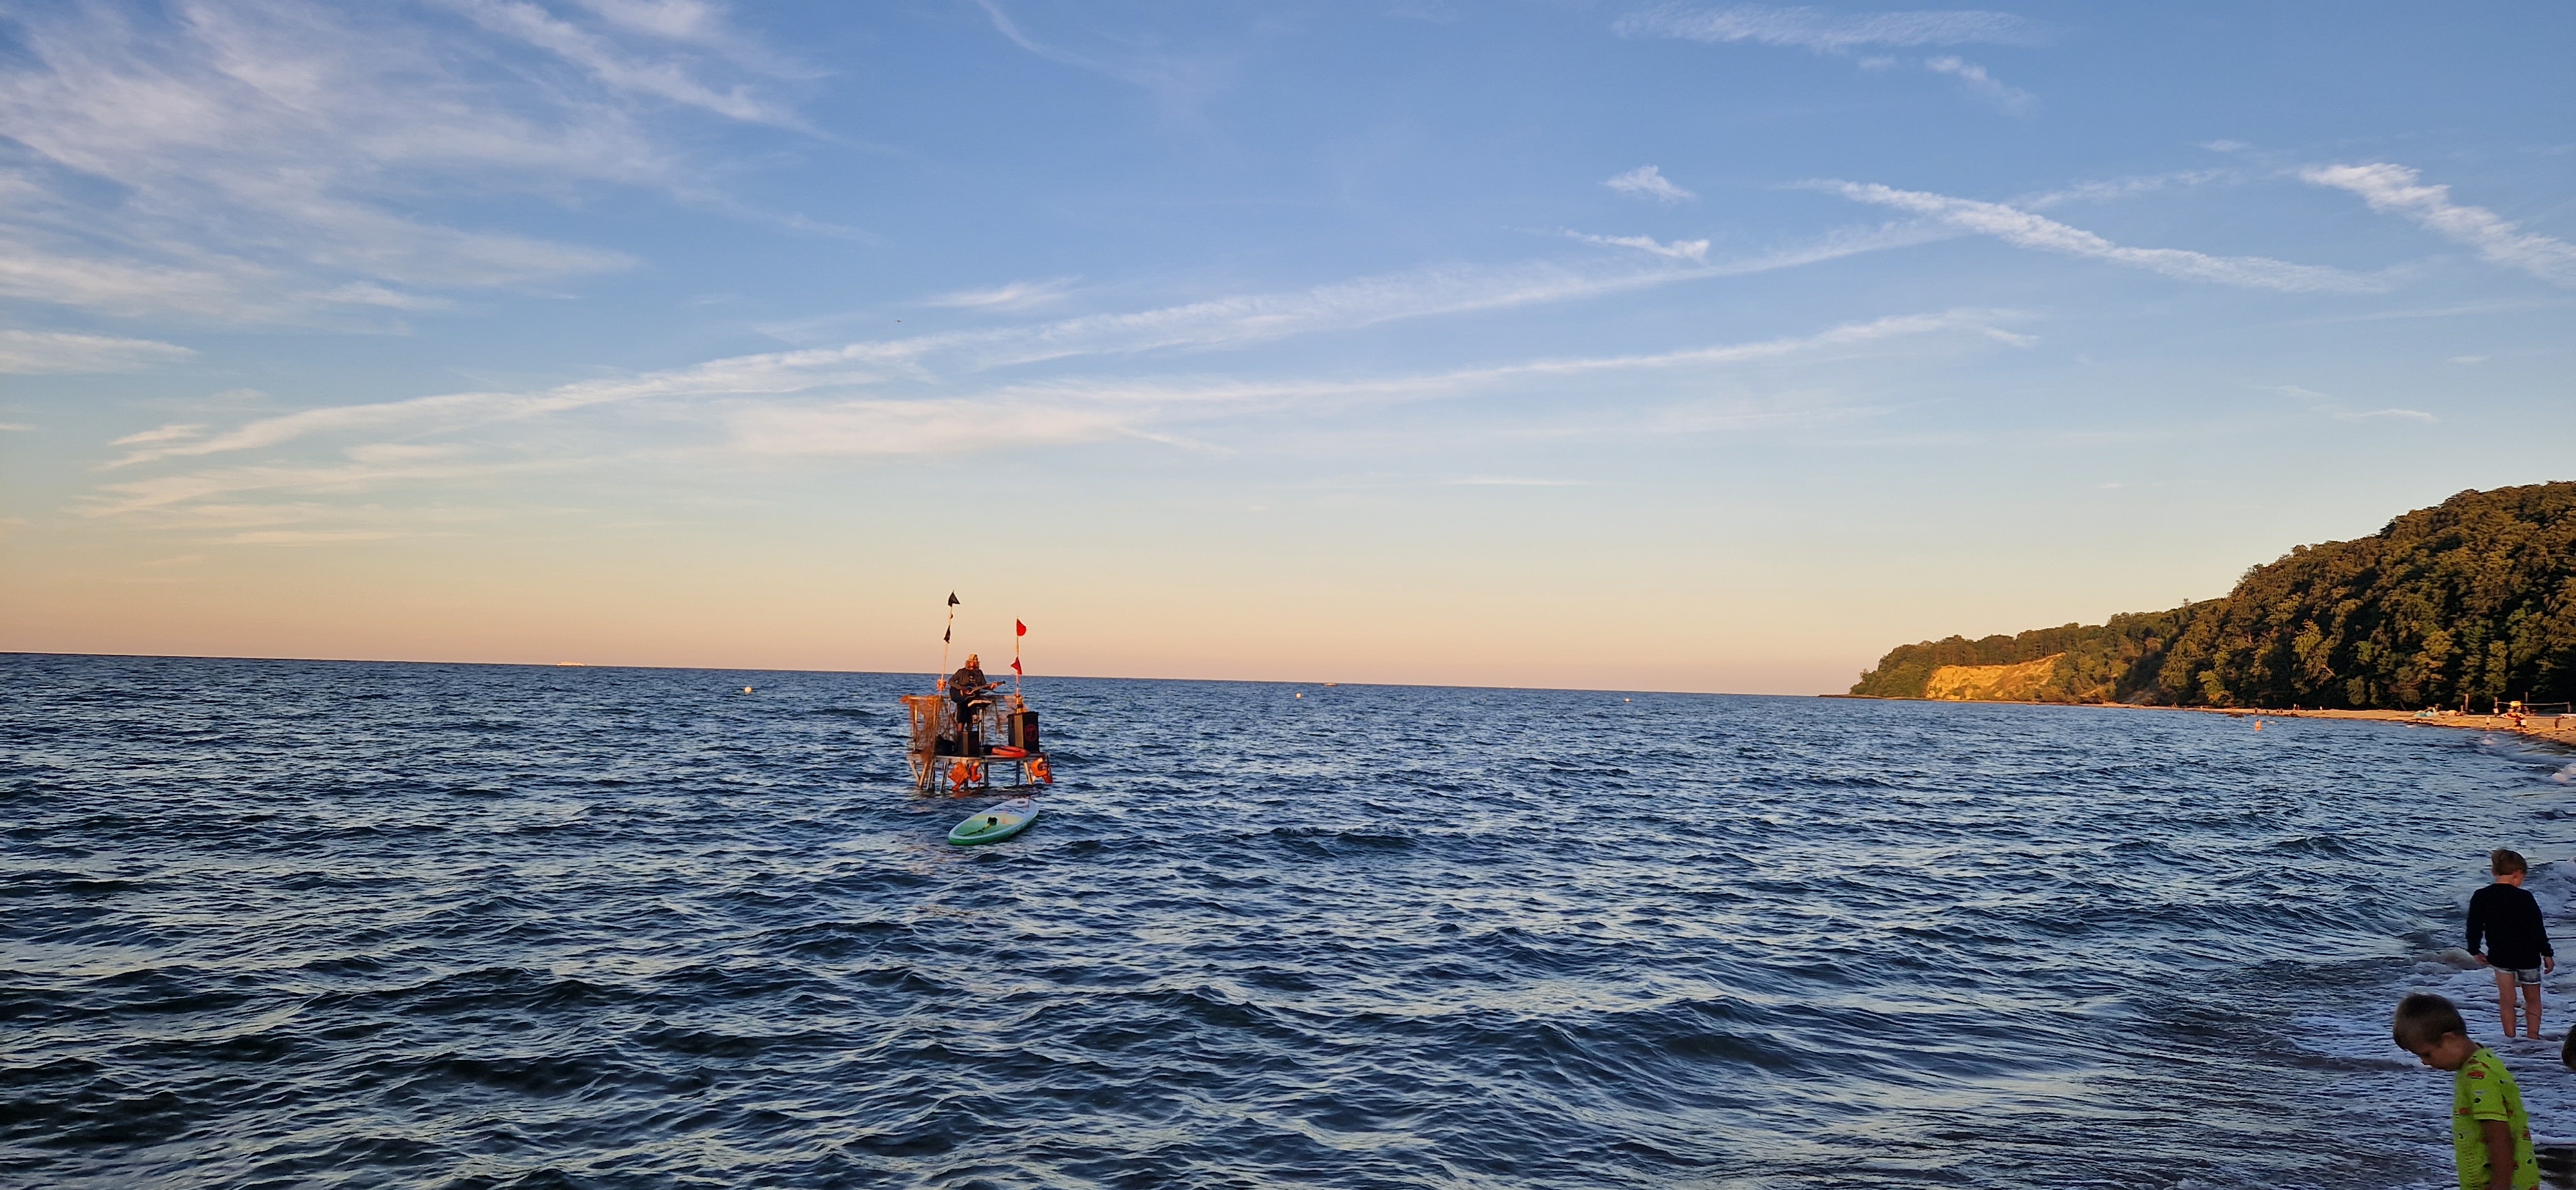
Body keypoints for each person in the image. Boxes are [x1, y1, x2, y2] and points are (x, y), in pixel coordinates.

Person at [2393, 993, 2540, 1190]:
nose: (2425, 1062)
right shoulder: (2485, 1058)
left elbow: (2500, 1139)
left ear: (2449, 1039)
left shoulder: (2477, 1078)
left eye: (2427, 1054)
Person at [2467, 849, 2555, 1039]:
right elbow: (2537, 928)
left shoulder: (2481, 896)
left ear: (2494, 872)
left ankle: (2510, 1038)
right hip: (2528, 957)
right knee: (2533, 999)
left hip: (2501, 956)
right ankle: (2533, 1037)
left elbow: (2474, 927)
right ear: (2517, 875)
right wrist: (2546, 953)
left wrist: (2475, 950)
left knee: (2507, 1000)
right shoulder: (2525, 898)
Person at [948, 654, 993, 752]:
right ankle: (958, 743)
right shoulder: (961, 672)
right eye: (972, 662)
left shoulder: (979, 673)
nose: (974, 664)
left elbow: (984, 686)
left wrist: (991, 687)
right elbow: (951, 682)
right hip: (962, 699)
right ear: (968, 662)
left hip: (974, 699)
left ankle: (967, 743)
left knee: (971, 722)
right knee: (961, 720)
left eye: (976, 662)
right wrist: (960, 688)